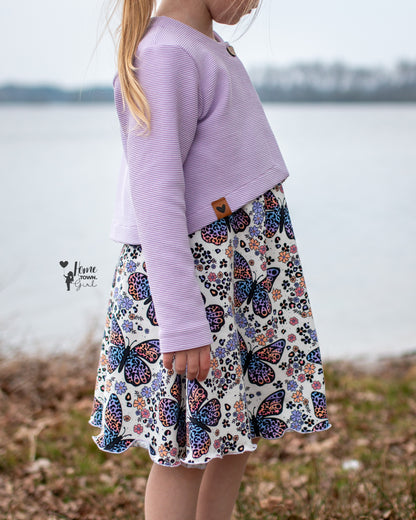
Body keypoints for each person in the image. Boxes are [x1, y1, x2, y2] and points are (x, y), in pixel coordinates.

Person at [89, 1, 332, 519]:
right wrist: (181, 323)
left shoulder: (205, 47)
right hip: (197, 285)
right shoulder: (167, 54)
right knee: (186, 448)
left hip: (236, 277)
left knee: (233, 431)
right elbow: (156, 197)